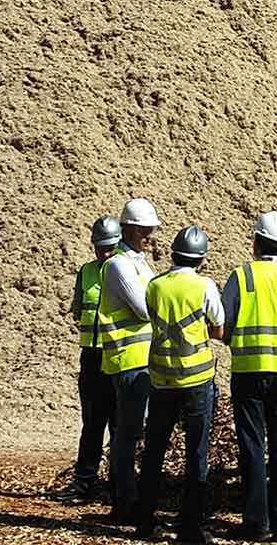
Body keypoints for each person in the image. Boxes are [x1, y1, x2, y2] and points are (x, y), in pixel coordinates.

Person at [135, 226, 224, 545]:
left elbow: (152, 317)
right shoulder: (204, 286)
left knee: (154, 451)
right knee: (196, 453)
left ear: (173, 253)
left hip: (161, 379)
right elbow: (218, 328)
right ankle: (191, 528)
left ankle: (144, 522)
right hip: (197, 379)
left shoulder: (155, 285)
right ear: (201, 258)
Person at [221, 211, 277, 542]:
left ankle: (256, 523)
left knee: (253, 446)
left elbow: (224, 324)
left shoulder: (241, 277)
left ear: (256, 242)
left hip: (249, 372)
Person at [96, 197, 160, 524]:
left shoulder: (137, 262)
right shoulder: (120, 265)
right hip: (128, 360)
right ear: (132, 228)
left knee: (133, 432)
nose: (151, 235)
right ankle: (124, 502)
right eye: (147, 229)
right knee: (128, 434)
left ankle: (129, 498)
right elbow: (146, 307)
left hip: (143, 359)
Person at [66, 215, 122, 502]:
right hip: (90, 355)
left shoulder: (125, 269)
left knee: (118, 423)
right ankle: (85, 480)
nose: (105, 253)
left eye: (110, 247)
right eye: (100, 247)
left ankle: (117, 482)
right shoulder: (86, 272)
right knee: (92, 422)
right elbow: (77, 308)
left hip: (117, 355)